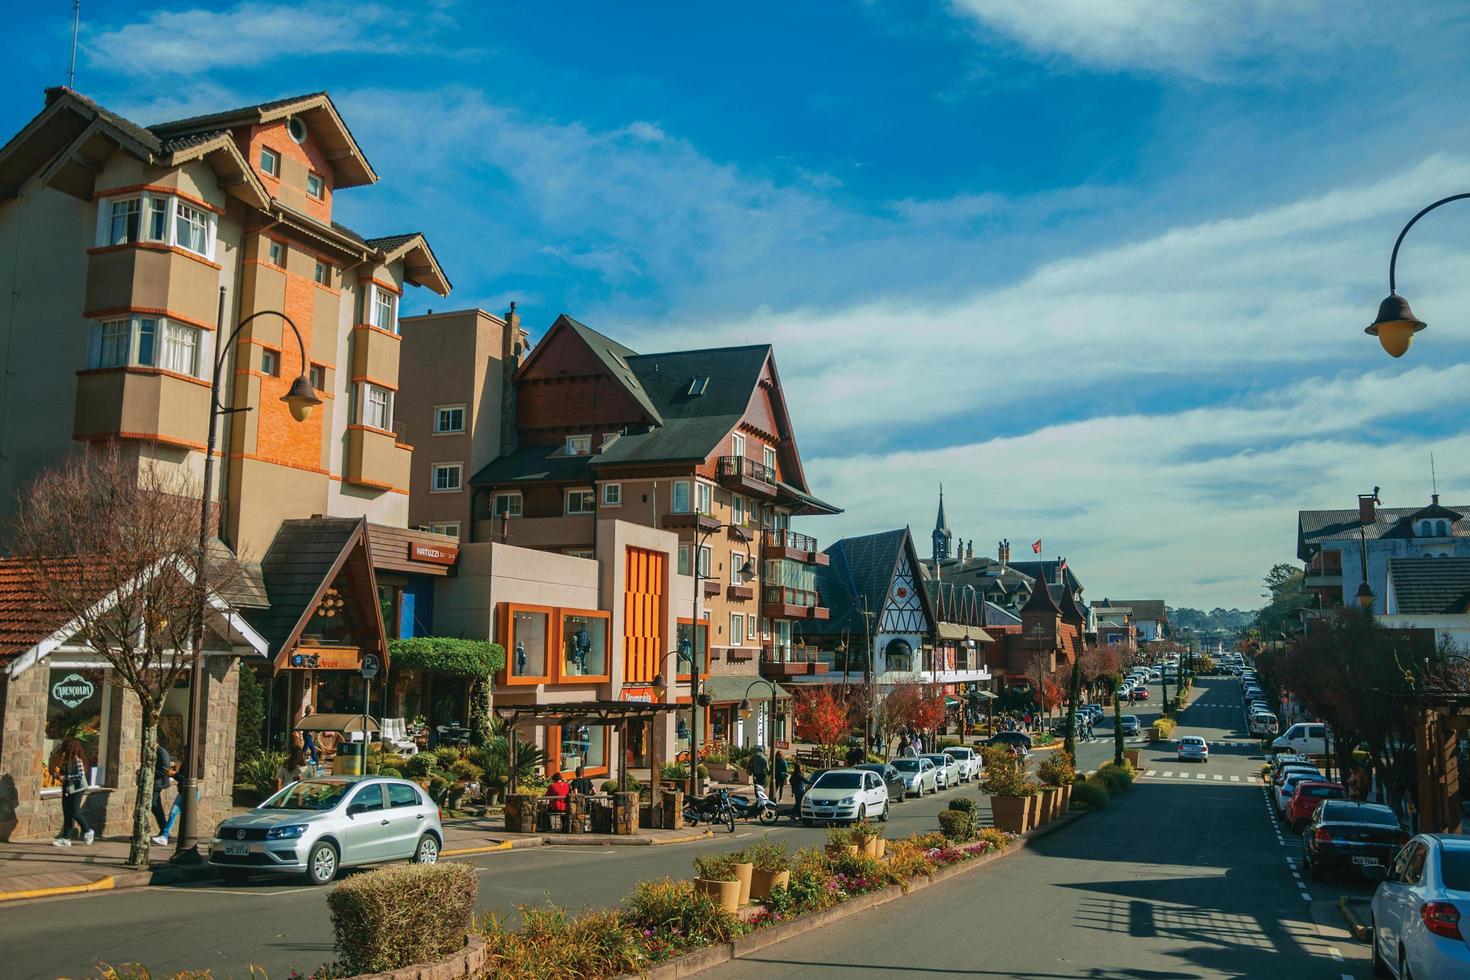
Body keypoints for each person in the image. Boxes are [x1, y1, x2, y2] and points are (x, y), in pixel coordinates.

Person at [51, 738, 94, 847]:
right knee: (67, 813)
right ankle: (66, 838)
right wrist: (57, 775)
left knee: (74, 812)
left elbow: (80, 775)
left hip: (78, 788)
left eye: (66, 748)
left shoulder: (77, 759)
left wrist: (66, 777)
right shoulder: (66, 759)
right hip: (68, 787)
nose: (65, 751)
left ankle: (88, 830)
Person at [150, 738, 173, 845]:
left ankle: (165, 831)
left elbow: (164, 770)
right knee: (155, 807)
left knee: (153, 806)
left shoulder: (162, 752)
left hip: (158, 783)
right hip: (154, 783)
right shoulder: (153, 751)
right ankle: (164, 831)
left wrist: (149, 773)